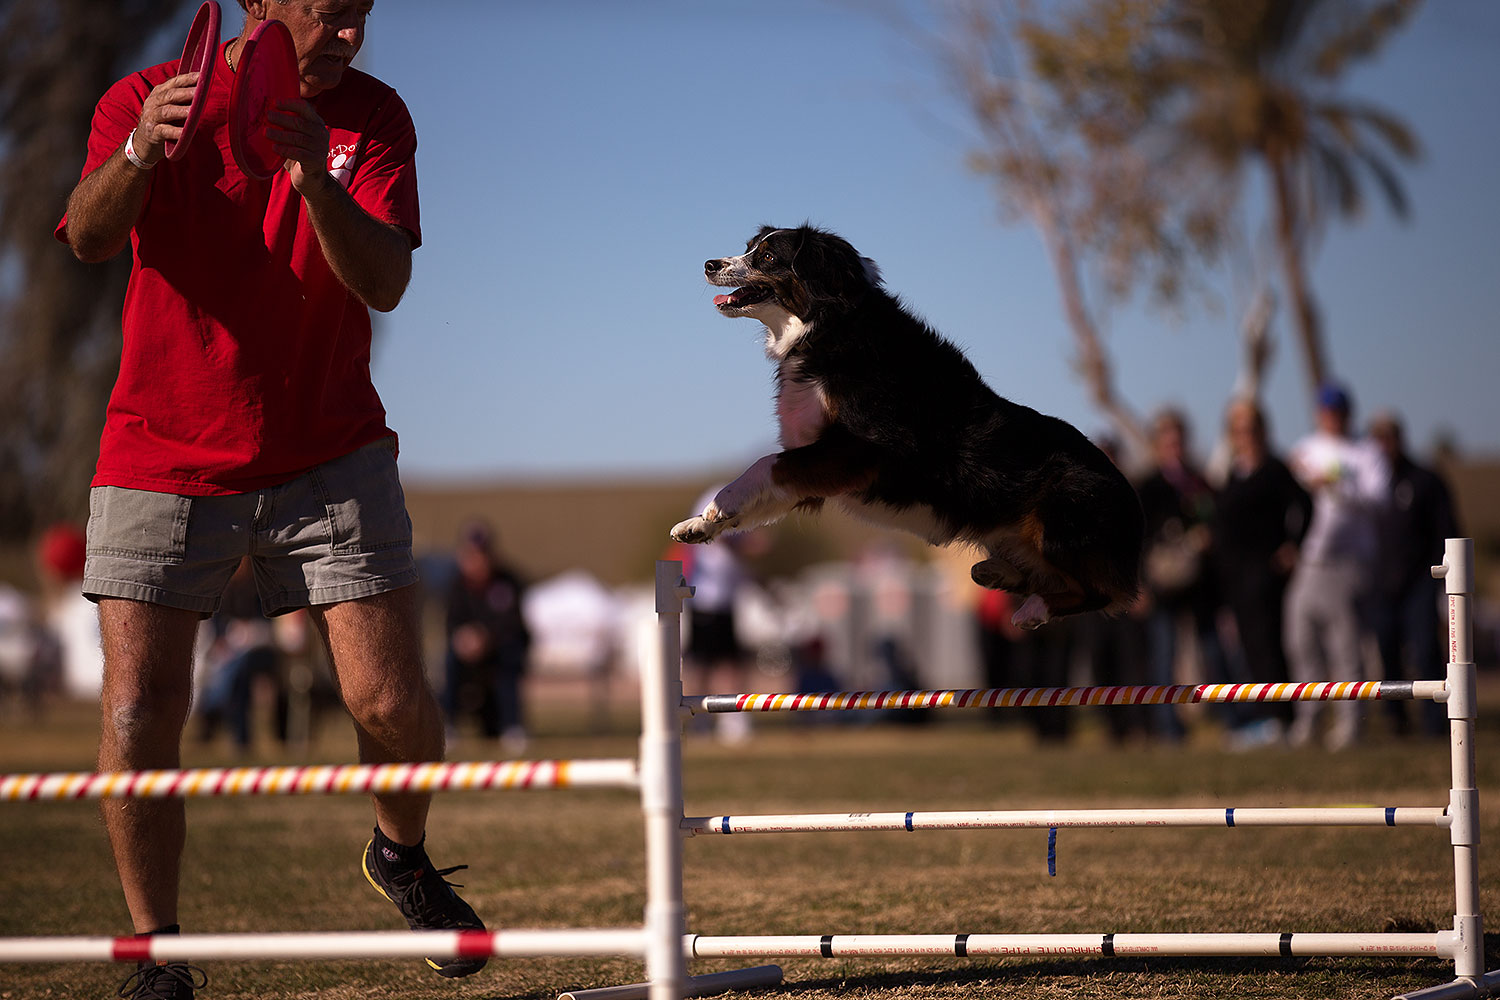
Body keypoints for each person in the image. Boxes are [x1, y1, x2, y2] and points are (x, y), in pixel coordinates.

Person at [56, 3, 483, 995]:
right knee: (137, 710)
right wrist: (137, 151)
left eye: (361, 17)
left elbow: (384, 282)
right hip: (160, 452)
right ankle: (158, 954)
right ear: (259, 6)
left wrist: (310, 177)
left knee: (389, 699)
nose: (349, 37)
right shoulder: (146, 96)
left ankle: (401, 854)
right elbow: (84, 233)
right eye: (329, 16)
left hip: (329, 448)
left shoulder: (374, 120)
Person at [1283, 383, 1389, 750]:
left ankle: (1349, 724)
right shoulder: (1305, 449)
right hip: (1310, 560)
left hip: (1350, 562)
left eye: (1337, 410)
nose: (1330, 416)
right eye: (1324, 410)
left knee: (1345, 645)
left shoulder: (1366, 453)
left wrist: (1336, 485)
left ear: (1347, 413)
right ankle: (1307, 721)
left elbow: (1379, 501)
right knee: (1301, 641)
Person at [1213, 399, 1312, 747]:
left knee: (1269, 644)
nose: (1245, 435)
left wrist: (1293, 544)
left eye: (1250, 427)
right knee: (1249, 647)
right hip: (1235, 577)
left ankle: (1282, 718)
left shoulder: (1274, 468)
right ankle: (1265, 717)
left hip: (1264, 574)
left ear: (1262, 429)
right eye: (1238, 429)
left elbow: (1305, 504)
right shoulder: (1231, 472)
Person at [1137, 409, 1232, 742]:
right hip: (1163, 584)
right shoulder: (1148, 486)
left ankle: (1230, 718)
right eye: (1167, 440)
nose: (1174, 446)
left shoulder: (1200, 482)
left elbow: (1217, 523)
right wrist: (1140, 587)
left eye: (1178, 439)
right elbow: (1139, 539)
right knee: (1164, 654)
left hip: (1200, 583)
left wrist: (1205, 535)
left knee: (1213, 649)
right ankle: (1168, 726)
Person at [1367, 411, 1460, 739]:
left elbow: (1447, 530)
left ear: (1399, 439)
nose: (1382, 446)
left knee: (1425, 650)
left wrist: (1441, 578)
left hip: (1420, 581)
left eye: (1387, 437)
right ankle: (1397, 722)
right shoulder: (1369, 485)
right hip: (1379, 584)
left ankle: (1435, 724)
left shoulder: (1425, 480)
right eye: (1375, 439)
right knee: (1386, 652)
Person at [443, 522, 532, 752]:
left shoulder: (508, 582)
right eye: (471, 555)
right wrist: (465, 639)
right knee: (449, 660)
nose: (477, 561)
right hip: (468, 652)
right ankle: (447, 725)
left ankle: (513, 727)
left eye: (482, 555)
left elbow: (514, 623)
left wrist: (486, 637)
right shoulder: (456, 586)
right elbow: (452, 624)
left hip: (501, 649)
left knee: (508, 662)